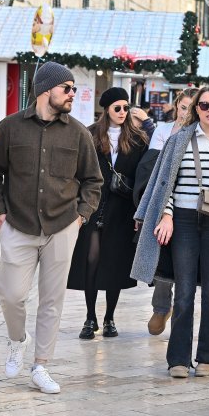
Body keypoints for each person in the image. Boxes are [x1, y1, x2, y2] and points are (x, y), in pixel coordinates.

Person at [0, 61, 103, 394]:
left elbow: (93, 180)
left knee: (52, 299)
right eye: (67, 88)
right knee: (10, 294)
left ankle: (41, 366)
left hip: (62, 225)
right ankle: (17, 339)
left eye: (74, 89)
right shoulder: (10, 128)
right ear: (46, 89)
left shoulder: (78, 133)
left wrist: (81, 216)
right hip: (17, 223)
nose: (72, 95)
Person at [131, 86, 209, 378]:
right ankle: (178, 360)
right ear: (195, 108)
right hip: (183, 221)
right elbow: (165, 183)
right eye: (204, 105)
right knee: (184, 293)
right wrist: (167, 215)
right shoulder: (179, 140)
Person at [67, 87, 148, 339]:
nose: (123, 112)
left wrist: (138, 211)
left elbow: (142, 176)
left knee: (115, 263)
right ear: (106, 109)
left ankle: (109, 317)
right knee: (90, 262)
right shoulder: (89, 136)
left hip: (122, 208)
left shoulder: (138, 139)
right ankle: (90, 317)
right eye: (118, 108)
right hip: (94, 206)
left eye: (126, 107)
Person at [134, 88, 196, 336]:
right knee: (163, 255)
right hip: (162, 202)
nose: (186, 113)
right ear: (176, 105)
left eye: (192, 109)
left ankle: (179, 317)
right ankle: (160, 308)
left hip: (190, 205)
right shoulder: (161, 131)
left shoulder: (201, 134)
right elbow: (152, 169)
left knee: (187, 263)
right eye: (183, 107)